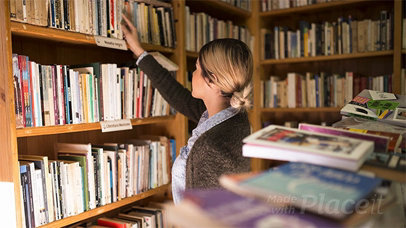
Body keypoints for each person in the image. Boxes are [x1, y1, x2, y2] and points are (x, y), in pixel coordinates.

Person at [121, 14, 252, 204]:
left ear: (213, 80)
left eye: (197, 68)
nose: (193, 73)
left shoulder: (211, 146)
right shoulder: (231, 116)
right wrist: (138, 51)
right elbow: (178, 96)